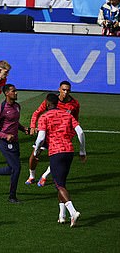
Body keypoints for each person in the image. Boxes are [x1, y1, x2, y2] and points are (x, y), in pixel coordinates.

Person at [33, 93, 87, 227]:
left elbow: (40, 138)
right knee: (62, 183)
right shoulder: (67, 114)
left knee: (58, 184)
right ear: (57, 102)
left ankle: (73, 212)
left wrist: (35, 151)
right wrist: (82, 151)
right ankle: (62, 216)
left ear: (46, 103)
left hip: (56, 152)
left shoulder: (44, 116)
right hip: (69, 151)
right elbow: (80, 132)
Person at [26, 80, 81, 186]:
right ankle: (31, 176)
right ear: (59, 89)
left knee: (56, 158)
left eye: (68, 90)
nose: (65, 92)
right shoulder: (51, 100)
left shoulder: (74, 104)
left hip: (61, 136)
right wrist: (33, 126)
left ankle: (44, 176)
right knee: (34, 155)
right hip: (47, 133)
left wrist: (71, 133)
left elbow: (75, 120)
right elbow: (37, 113)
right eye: (63, 90)